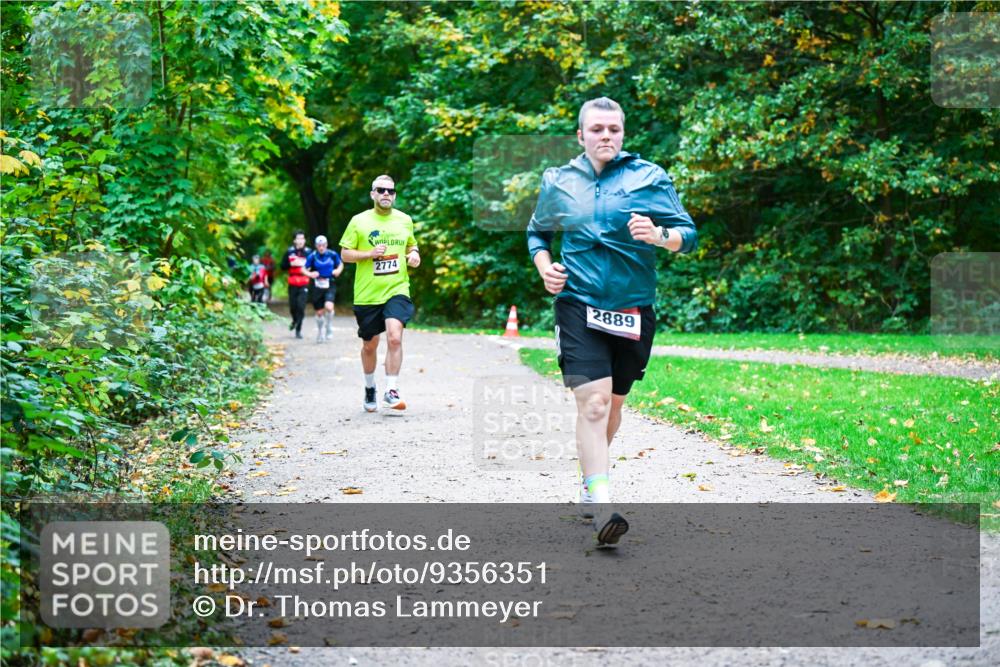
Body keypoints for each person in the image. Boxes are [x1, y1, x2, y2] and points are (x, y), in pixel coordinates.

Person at [526, 97, 697, 546]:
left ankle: (590, 476)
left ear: (623, 134)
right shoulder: (558, 182)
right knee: (595, 404)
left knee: (615, 405)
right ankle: (602, 505)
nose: (606, 136)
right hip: (578, 304)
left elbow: (689, 234)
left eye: (614, 130)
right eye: (597, 129)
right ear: (580, 136)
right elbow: (537, 232)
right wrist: (545, 266)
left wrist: (662, 237)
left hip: (634, 309)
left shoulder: (649, 177)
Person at [340, 175, 420, 413]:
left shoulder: (405, 220)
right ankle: (369, 387)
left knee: (395, 337)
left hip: (397, 288)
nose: (386, 194)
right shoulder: (359, 221)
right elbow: (345, 254)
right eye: (381, 190)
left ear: (394, 195)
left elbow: (411, 245)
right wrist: (369, 254)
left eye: (391, 191)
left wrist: (415, 254)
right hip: (367, 294)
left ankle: (391, 389)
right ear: (372, 194)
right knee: (369, 345)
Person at [303, 235, 344, 342]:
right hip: (317, 286)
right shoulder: (312, 256)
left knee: (329, 307)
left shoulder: (332, 254)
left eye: (323, 245)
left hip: (330, 283)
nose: (321, 247)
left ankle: (329, 327)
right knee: (319, 313)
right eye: (319, 245)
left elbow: (340, 264)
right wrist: (310, 274)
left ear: (326, 245)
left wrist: (338, 271)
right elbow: (303, 269)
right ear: (316, 246)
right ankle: (320, 332)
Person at [281, 231, 311, 339]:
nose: (300, 241)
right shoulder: (289, 252)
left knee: (301, 306)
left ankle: (298, 330)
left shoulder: (309, 252)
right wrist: (290, 263)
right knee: (293, 307)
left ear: (304, 240)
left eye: (302, 238)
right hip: (292, 282)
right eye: (298, 238)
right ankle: (294, 320)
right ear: (294, 240)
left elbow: (314, 265)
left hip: (304, 282)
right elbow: (282, 266)